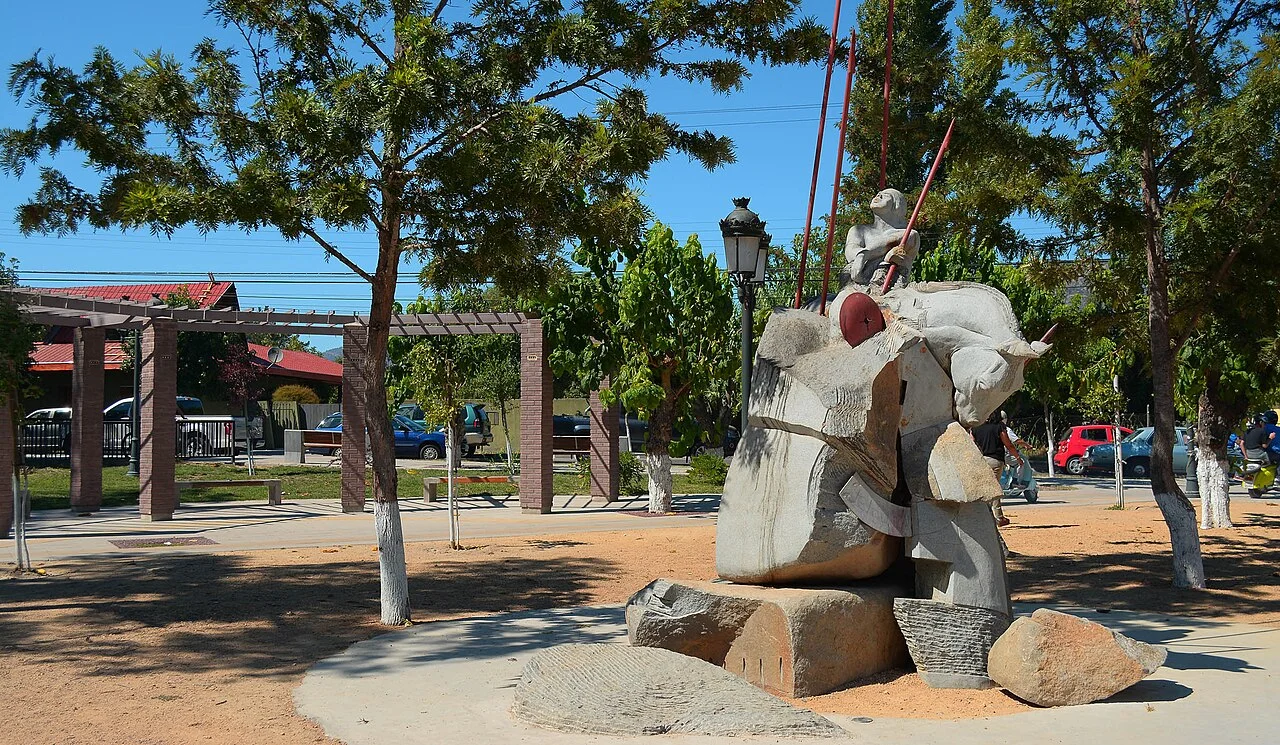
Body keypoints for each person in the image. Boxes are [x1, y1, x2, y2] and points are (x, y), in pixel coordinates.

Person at [972, 410, 1019, 527]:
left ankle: (989, 516)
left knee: (985, 488)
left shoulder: (976, 428)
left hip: (982, 460)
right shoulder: (999, 427)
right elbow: (1008, 444)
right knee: (994, 488)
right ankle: (998, 517)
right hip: (995, 460)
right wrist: (1018, 458)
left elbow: (972, 443)